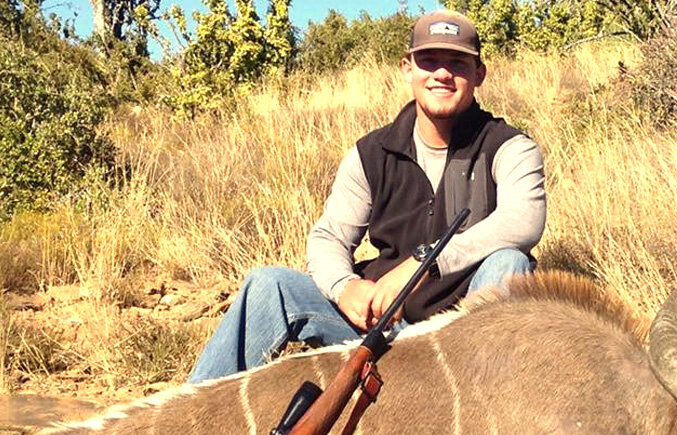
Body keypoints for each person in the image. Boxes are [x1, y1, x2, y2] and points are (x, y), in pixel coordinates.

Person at [188, 9, 546, 383]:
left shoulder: (509, 147)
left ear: (479, 74)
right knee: (268, 285)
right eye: (429, 60)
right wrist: (346, 288)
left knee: (508, 265)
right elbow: (329, 237)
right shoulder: (371, 152)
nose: (442, 73)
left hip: (461, 340)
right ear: (407, 68)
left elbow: (523, 221)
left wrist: (426, 261)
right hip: (380, 327)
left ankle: (484, 405)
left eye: (457, 62)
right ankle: (183, 426)